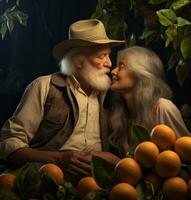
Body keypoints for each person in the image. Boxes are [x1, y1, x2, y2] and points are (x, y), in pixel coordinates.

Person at [0, 19, 123, 181]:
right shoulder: (44, 86)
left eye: (109, 55)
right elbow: (10, 144)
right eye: (102, 56)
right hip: (45, 180)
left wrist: (114, 160)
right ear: (78, 60)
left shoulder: (113, 95)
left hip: (98, 185)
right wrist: (57, 159)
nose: (109, 63)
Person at [108, 46, 191, 155]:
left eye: (121, 66)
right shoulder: (121, 116)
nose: (113, 71)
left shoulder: (162, 108)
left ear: (140, 73)